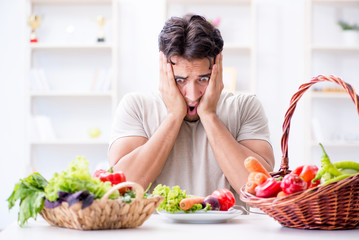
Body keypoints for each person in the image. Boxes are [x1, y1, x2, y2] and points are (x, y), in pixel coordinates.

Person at [108, 14, 274, 202]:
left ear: (218, 70)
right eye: (180, 80)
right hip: (154, 231)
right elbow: (123, 189)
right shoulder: (136, 107)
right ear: (164, 71)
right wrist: (173, 116)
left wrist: (209, 115)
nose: (193, 95)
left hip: (229, 230)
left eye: (203, 79)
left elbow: (261, 192)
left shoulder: (245, 106)